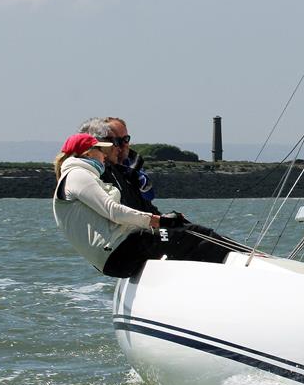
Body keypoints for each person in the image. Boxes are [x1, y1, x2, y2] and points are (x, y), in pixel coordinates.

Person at [53, 133, 233, 278]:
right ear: (88, 153)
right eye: (101, 151)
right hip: (120, 252)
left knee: (183, 235)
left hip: (115, 255)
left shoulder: (77, 176)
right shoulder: (77, 174)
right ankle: (245, 265)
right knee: (194, 234)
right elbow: (113, 211)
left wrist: (162, 220)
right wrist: (161, 221)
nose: (104, 156)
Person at [78, 117, 158, 214]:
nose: (122, 145)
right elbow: (114, 211)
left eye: (126, 139)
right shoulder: (96, 172)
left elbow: (147, 202)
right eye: (117, 141)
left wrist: (165, 220)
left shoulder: (134, 167)